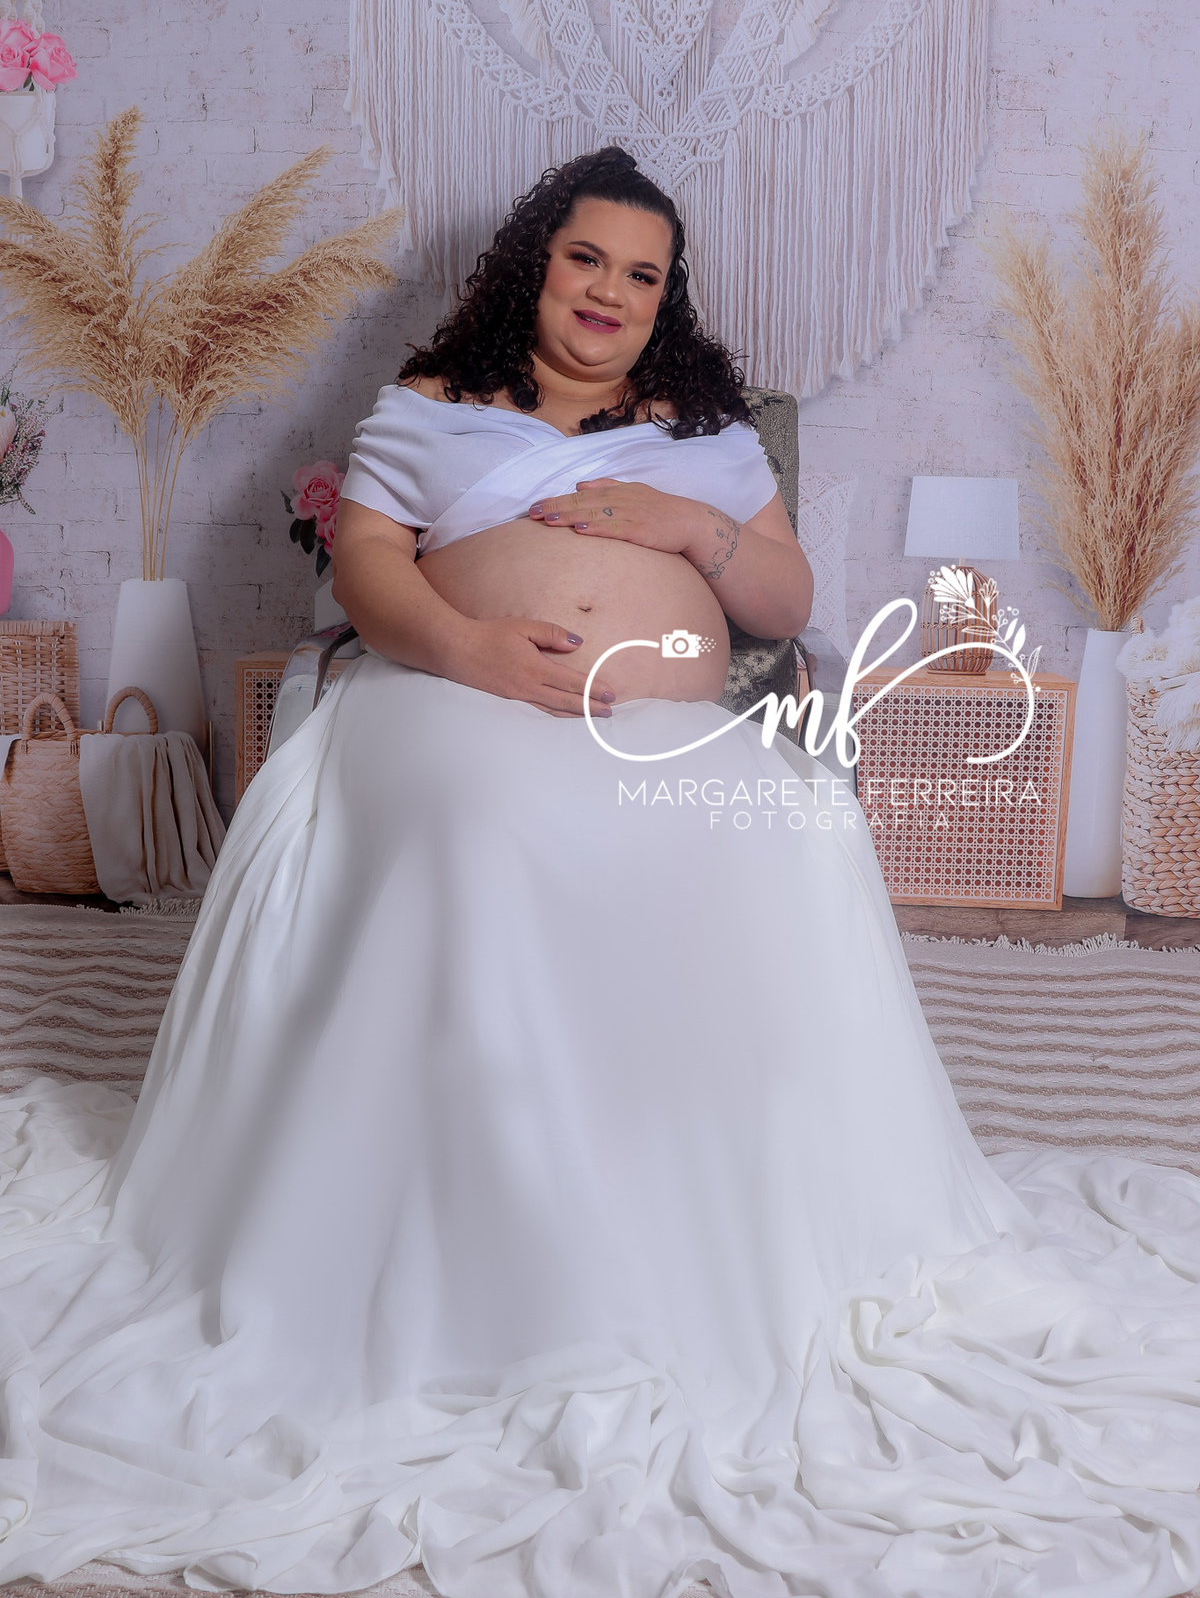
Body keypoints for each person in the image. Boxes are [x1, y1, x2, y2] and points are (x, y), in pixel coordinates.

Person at [0, 147, 1197, 1598]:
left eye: (642, 275)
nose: (610, 295)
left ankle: (703, 1207)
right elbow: (366, 565)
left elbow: (782, 597)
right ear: (535, 263)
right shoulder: (431, 406)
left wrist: (686, 526)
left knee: (782, 832)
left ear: (663, 297)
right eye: (587, 260)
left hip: (661, 722)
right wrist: (472, 647)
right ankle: (501, 1240)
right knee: (493, 832)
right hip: (447, 697)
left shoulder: (704, 435)